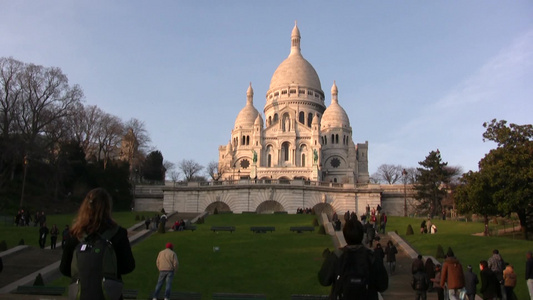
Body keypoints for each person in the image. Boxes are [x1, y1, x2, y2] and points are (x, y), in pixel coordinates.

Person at [60, 188, 135, 300]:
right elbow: (129, 266)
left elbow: (64, 268)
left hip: (82, 294)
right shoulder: (118, 233)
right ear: (108, 208)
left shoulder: (74, 235)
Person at [318, 218, 388, 300]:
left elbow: (323, 280)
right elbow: (383, 286)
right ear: (362, 234)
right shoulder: (372, 257)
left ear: (345, 235)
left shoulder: (336, 256)